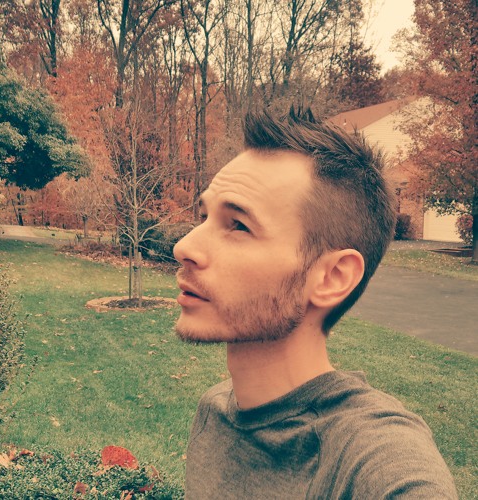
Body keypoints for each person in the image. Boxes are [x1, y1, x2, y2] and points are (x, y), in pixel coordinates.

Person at [173, 107, 458, 499]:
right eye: (204, 216)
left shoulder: (370, 458)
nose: (184, 246)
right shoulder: (215, 411)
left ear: (332, 277)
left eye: (238, 225)